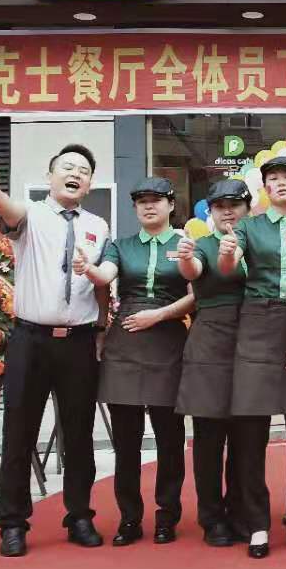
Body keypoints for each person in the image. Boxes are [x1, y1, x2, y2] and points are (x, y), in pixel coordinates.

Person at [0, 145, 110, 558]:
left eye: (83, 171)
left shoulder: (98, 225)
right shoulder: (32, 215)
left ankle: (80, 516)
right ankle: (13, 524)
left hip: (79, 342)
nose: (75, 174)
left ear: (89, 183)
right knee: (19, 432)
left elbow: (101, 284)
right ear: (50, 176)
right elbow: (9, 212)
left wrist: (102, 328)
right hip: (30, 340)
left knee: (80, 434)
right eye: (67, 167)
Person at [217, 155, 286, 559]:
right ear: (265, 188)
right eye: (272, 178)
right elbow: (228, 265)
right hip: (256, 324)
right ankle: (258, 525)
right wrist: (227, 251)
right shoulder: (249, 226)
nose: (280, 183)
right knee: (250, 433)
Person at [74, 178, 194, 546]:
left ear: (171, 205)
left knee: (170, 439)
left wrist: (159, 315)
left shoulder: (185, 244)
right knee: (126, 443)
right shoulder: (121, 246)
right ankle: (129, 519)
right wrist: (87, 268)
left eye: (156, 200)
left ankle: (167, 516)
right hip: (125, 343)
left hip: (169, 340)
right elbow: (105, 276)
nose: (149, 206)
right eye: (142, 201)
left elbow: (197, 295)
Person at [176, 178, 251, 548]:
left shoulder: (256, 243)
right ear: (210, 212)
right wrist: (186, 257)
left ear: (248, 208)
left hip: (252, 339)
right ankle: (211, 517)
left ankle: (240, 511)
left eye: (234, 205)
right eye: (220, 207)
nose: (227, 212)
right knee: (209, 436)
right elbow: (192, 270)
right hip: (209, 342)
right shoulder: (204, 244)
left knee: (245, 435)